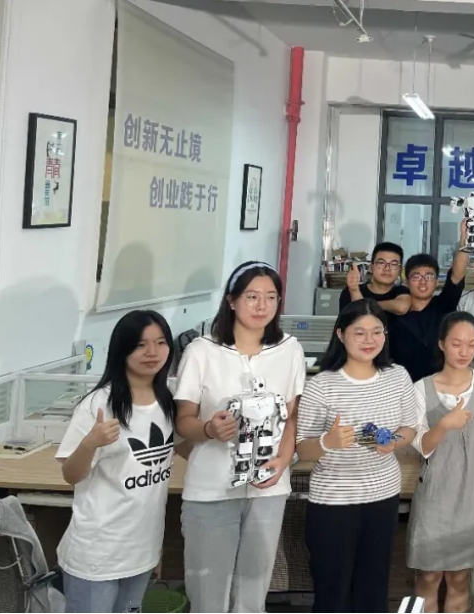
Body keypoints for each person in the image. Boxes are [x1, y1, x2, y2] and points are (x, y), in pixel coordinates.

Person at [174, 261, 307, 613]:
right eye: (251, 296)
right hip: (212, 488)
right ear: (231, 301)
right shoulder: (202, 351)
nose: (262, 305)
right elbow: (182, 422)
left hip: (268, 488)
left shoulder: (289, 350)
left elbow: (292, 416)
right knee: (208, 594)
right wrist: (208, 429)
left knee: (253, 592)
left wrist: (283, 460)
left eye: (271, 297)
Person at [296, 299, 418, 613]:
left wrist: (393, 441)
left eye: (377, 332)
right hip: (333, 502)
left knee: (373, 590)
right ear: (341, 334)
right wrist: (327, 442)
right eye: (359, 332)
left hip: (383, 497)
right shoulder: (321, 385)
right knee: (332, 593)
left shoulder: (398, 376)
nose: (369, 340)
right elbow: (302, 449)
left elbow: (409, 427)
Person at [56, 311, 179, 613]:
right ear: (122, 350)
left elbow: (184, 447)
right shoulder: (99, 404)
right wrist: (90, 442)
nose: (152, 352)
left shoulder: (167, 400)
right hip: (98, 553)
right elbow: (71, 474)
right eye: (140, 345)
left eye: (160, 342)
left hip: (141, 550)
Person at [408, 312, 474, 614]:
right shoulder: (421, 388)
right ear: (441, 344)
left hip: (472, 496)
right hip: (434, 495)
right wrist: (444, 424)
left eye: (471, 344)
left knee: (460, 578)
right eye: (456, 344)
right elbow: (422, 446)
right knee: (427, 576)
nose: (464, 352)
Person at [388, 238, 468, 382]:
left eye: (429, 276)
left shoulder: (443, 305)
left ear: (437, 281)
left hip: (439, 386)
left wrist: (464, 240)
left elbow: (457, 275)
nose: (423, 281)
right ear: (406, 281)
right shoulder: (395, 314)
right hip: (402, 387)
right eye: (416, 276)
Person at [340, 242, 412, 315]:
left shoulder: (403, 291)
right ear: (371, 267)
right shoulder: (349, 292)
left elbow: (401, 307)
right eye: (381, 263)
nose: (387, 268)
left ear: (400, 270)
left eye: (393, 264)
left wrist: (368, 305)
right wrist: (354, 290)